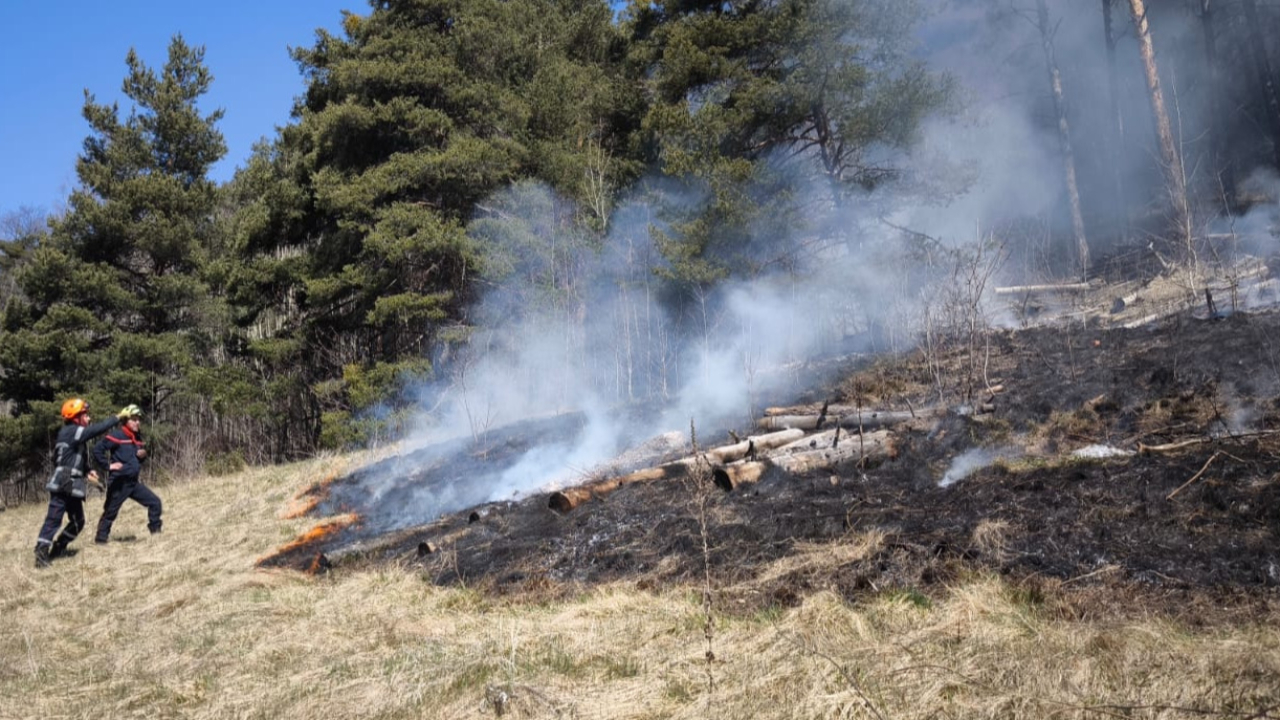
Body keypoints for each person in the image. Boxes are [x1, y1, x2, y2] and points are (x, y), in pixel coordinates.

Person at [34, 399, 141, 568]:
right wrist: (118, 417)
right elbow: (94, 431)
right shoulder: (71, 431)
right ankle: (41, 554)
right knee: (54, 519)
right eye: (86, 416)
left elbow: (64, 457)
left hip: (72, 482)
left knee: (78, 521)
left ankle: (59, 547)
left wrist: (86, 470)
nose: (89, 419)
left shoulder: (72, 436)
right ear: (76, 417)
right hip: (64, 481)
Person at [92, 406, 161, 543]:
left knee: (155, 503)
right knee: (110, 512)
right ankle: (100, 540)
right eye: (134, 420)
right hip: (119, 482)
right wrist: (108, 466)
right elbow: (97, 450)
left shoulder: (137, 437)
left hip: (132, 482)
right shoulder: (117, 435)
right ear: (125, 421)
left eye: (138, 420)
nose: (137, 422)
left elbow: (136, 457)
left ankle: (156, 534)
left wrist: (142, 455)